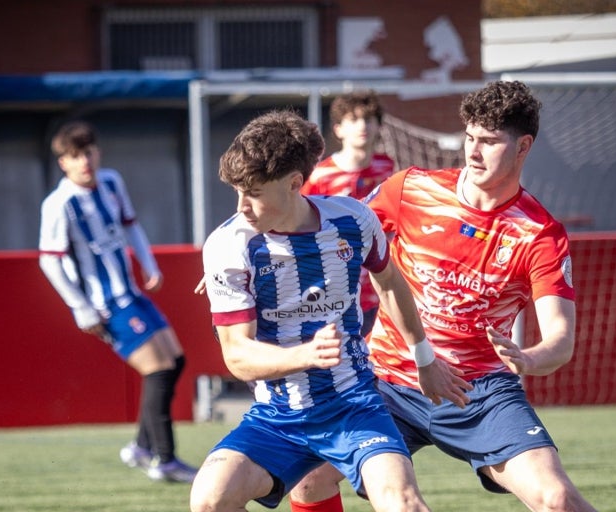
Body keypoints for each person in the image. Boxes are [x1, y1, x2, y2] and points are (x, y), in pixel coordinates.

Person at [289, 81, 597, 511]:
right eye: (470, 137)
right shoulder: (410, 188)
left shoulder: (540, 234)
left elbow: (560, 339)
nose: (473, 152)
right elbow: (329, 225)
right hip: (390, 380)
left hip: (481, 392)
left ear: (523, 145)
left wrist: (530, 358)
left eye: (489, 142)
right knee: (306, 480)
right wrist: (248, 248)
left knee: (557, 498)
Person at [191, 110, 470, 512]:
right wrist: (304, 356)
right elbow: (237, 354)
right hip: (277, 416)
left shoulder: (353, 219)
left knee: (404, 503)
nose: (242, 207)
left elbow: (389, 280)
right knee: (208, 499)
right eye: (237, 191)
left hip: (353, 406)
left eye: (253, 192)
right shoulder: (228, 246)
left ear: (293, 184)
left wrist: (424, 358)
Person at [38, 120, 198, 484]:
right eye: (74, 156)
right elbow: (49, 260)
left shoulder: (111, 181)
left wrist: (150, 264)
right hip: (105, 304)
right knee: (157, 369)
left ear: (98, 152)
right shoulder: (58, 204)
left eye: (88, 152)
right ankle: (165, 459)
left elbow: (130, 225)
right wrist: (81, 309)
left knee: (176, 360)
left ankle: (142, 447)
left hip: (132, 293)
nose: (84, 162)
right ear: (63, 162)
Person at [301, 90, 395, 336]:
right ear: (338, 129)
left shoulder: (389, 168)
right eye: (353, 120)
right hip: (335, 289)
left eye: (368, 119)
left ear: (378, 126)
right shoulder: (320, 176)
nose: (362, 126)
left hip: (381, 287)